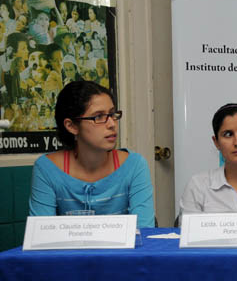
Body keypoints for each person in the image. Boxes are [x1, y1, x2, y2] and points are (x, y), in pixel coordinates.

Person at [28, 80, 155, 227]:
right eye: (98, 117)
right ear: (72, 126)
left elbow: (144, 232)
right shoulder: (47, 169)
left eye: (113, 114)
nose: (112, 124)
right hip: (69, 251)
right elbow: (41, 235)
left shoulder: (134, 165)